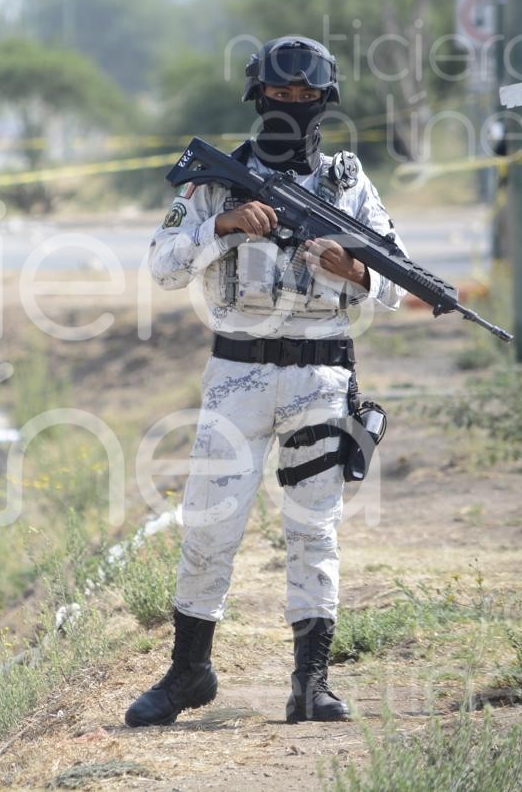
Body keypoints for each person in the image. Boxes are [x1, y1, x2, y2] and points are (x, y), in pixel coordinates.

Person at [127, 36, 407, 728]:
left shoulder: (349, 185)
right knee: (209, 525)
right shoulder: (217, 179)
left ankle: (311, 683)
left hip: (320, 372)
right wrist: (223, 225)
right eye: (278, 97)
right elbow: (162, 264)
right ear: (258, 98)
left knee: (315, 529)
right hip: (238, 373)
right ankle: (189, 669)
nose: (290, 108)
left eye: (303, 99)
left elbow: (401, 281)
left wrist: (357, 270)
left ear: (325, 102)